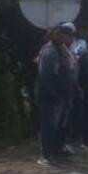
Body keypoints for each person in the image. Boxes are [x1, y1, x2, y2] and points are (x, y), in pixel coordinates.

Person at [34, 22, 75, 165]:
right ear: (52, 35)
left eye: (63, 34)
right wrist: (54, 94)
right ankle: (45, 155)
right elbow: (45, 76)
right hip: (49, 96)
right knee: (48, 126)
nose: (61, 37)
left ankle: (54, 151)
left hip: (60, 96)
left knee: (57, 126)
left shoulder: (60, 50)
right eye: (58, 34)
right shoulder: (49, 51)